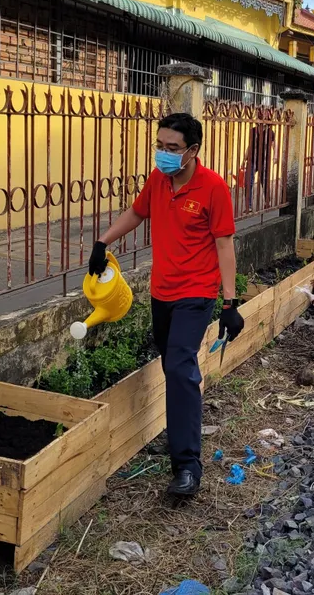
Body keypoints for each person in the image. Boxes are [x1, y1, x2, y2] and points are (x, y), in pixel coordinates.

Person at [90, 112, 244, 498]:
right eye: (160, 146)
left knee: (179, 365)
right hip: (162, 291)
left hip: (197, 293)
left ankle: (188, 466)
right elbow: (137, 213)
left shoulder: (213, 189)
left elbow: (225, 245)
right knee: (169, 362)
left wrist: (230, 302)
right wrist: (102, 242)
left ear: (192, 150)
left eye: (172, 148)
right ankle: (178, 436)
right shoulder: (159, 179)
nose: (163, 154)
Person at [242, 122, 275, 212]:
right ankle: (248, 206)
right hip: (252, 160)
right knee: (248, 182)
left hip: (264, 160)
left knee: (264, 182)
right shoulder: (252, 131)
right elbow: (250, 145)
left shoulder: (270, 132)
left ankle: (267, 202)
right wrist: (244, 159)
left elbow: (273, 145)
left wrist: (275, 156)